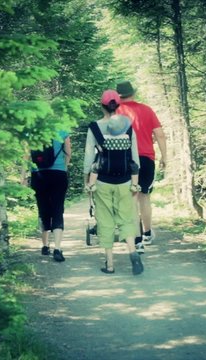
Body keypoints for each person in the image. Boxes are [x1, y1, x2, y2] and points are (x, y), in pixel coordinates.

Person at [83, 89, 143, 275]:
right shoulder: (128, 127)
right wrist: (135, 182)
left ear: (102, 105)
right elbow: (135, 158)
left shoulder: (94, 127)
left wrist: (87, 181)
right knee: (126, 219)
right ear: (119, 105)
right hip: (125, 180)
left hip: (102, 181)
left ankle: (109, 264)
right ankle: (133, 253)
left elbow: (88, 158)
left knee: (105, 221)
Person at [116, 80, 167, 254]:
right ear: (133, 93)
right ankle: (146, 233)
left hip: (123, 159)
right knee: (144, 197)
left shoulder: (115, 112)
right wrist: (164, 157)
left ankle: (137, 240)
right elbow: (160, 134)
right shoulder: (146, 110)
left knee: (131, 198)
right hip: (145, 158)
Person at [30, 130, 71, 262]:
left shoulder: (31, 130)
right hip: (58, 174)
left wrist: (23, 176)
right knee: (58, 209)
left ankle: (45, 246)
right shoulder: (63, 130)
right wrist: (64, 167)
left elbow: (26, 156)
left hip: (38, 175)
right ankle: (57, 248)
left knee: (43, 209)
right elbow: (68, 153)